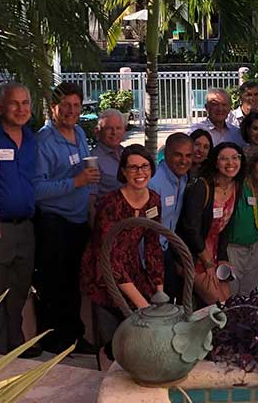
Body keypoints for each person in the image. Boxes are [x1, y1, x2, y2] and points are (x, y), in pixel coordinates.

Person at [0, 82, 42, 358]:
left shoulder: (31, 139)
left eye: (25, 103)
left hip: (25, 227)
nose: (20, 109)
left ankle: (15, 342)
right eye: (14, 103)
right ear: (0, 106)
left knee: (19, 287)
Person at [33, 82, 100, 354]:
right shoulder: (44, 141)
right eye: (66, 106)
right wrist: (76, 182)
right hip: (53, 223)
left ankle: (74, 337)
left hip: (78, 220)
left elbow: (85, 173)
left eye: (76, 105)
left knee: (73, 283)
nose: (72, 111)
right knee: (53, 284)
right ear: (53, 107)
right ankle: (53, 340)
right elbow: (36, 189)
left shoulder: (80, 134)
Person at [80, 145, 163, 361]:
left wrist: (159, 291)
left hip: (132, 266)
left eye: (144, 166)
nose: (140, 172)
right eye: (133, 167)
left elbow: (153, 246)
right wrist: (142, 304)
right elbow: (109, 255)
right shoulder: (111, 203)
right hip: (104, 270)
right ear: (123, 172)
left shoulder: (154, 200)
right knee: (114, 337)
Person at [177, 142, 243, 305]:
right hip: (194, 254)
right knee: (218, 304)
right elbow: (191, 228)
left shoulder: (236, 185)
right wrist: (207, 264)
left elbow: (226, 227)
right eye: (224, 159)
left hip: (214, 252)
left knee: (229, 301)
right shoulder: (202, 187)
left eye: (235, 158)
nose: (230, 163)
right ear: (215, 162)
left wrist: (222, 258)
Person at [227, 145, 258, 295]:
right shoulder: (238, 185)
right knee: (231, 295)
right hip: (232, 250)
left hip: (254, 249)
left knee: (249, 296)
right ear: (253, 164)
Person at [148, 132, 193, 301]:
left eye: (188, 156)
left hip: (167, 250)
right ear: (166, 154)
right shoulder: (154, 183)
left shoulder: (183, 178)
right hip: (151, 254)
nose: (183, 160)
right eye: (178, 155)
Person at [90, 109, 126, 201]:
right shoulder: (93, 160)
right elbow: (91, 199)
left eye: (118, 128)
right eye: (109, 128)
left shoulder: (126, 153)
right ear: (98, 132)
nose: (114, 133)